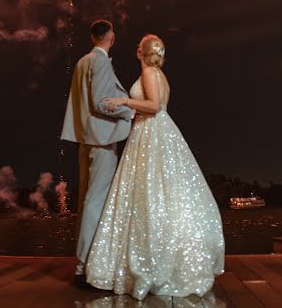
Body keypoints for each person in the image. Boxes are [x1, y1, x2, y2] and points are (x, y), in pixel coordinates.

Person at [86, 34, 225, 300]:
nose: (136, 47)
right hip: (152, 132)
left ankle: (149, 263)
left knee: (148, 191)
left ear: (144, 52)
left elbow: (154, 106)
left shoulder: (150, 72)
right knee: (157, 190)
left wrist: (124, 101)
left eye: (139, 45)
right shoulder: (159, 74)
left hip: (151, 133)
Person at [61, 20, 135, 286]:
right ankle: (86, 266)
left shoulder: (82, 61)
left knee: (87, 199)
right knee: (96, 200)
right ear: (110, 37)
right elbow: (103, 103)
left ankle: (84, 263)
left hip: (85, 138)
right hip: (102, 140)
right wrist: (132, 110)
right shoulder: (101, 62)